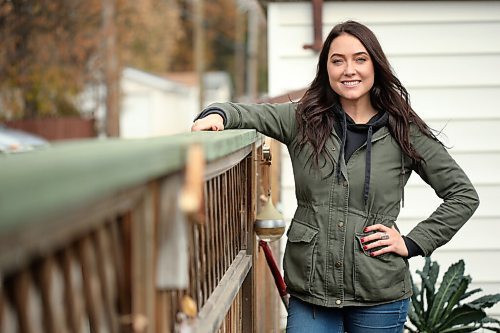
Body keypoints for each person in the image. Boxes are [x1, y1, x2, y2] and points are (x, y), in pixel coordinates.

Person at [191, 20, 479, 333]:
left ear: (375, 65)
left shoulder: (404, 130)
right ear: (326, 69)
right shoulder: (303, 119)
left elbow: (462, 195)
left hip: (378, 293)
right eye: (337, 60)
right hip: (311, 291)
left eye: (360, 59)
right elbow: (247, 112)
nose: (348, 70)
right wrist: (217, 115)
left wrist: (412, 242)